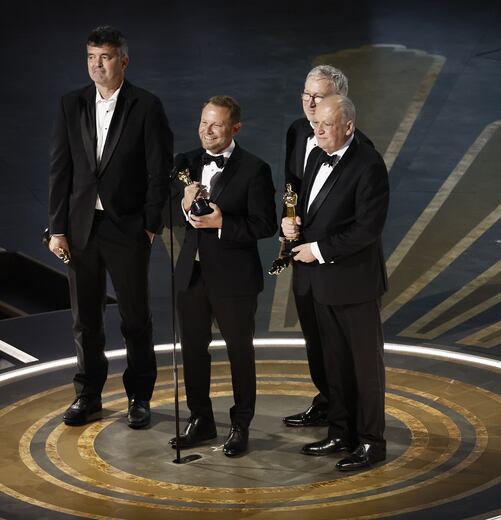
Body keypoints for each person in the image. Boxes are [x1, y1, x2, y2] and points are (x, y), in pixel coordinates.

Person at [47, 26, 172, 429]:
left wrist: (151, 226)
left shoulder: (147, 106)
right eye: (90, 58)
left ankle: (139, 396)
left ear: (123, 60)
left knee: (135, 317)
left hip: (128, 228)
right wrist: (56, 228)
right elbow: (60, 170)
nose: (96, 65)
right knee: (85, 317)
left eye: (104, 57)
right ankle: (88, 394)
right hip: (81, 227)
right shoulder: (71, 104)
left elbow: (160, 171)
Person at [283, 95, 389, 471]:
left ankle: (372, 442)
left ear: (348, 126)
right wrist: (294, 226)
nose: (317, 130)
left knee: (365, 369)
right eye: (316, 124)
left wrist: (319, 249)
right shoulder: (314, 154)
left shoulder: (369, 165)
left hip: (355, 284)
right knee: (336, 364)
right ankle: (341, 433)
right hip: (321, 283)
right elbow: (311, 208)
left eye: (326, 125)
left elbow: (366, 230)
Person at [169, 96, 276, 457]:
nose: (206, 131)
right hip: (192, 273)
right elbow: (163, 206)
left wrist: (223, 222)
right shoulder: (185, 162)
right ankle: (201, 420)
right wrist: (182, 204)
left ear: (235, 128)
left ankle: (240, 424)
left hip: (234, 278)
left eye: (215, 125)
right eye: (203, 123)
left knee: (239, 353)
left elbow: (264, 223)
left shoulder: (254, 169)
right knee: (193, 351)